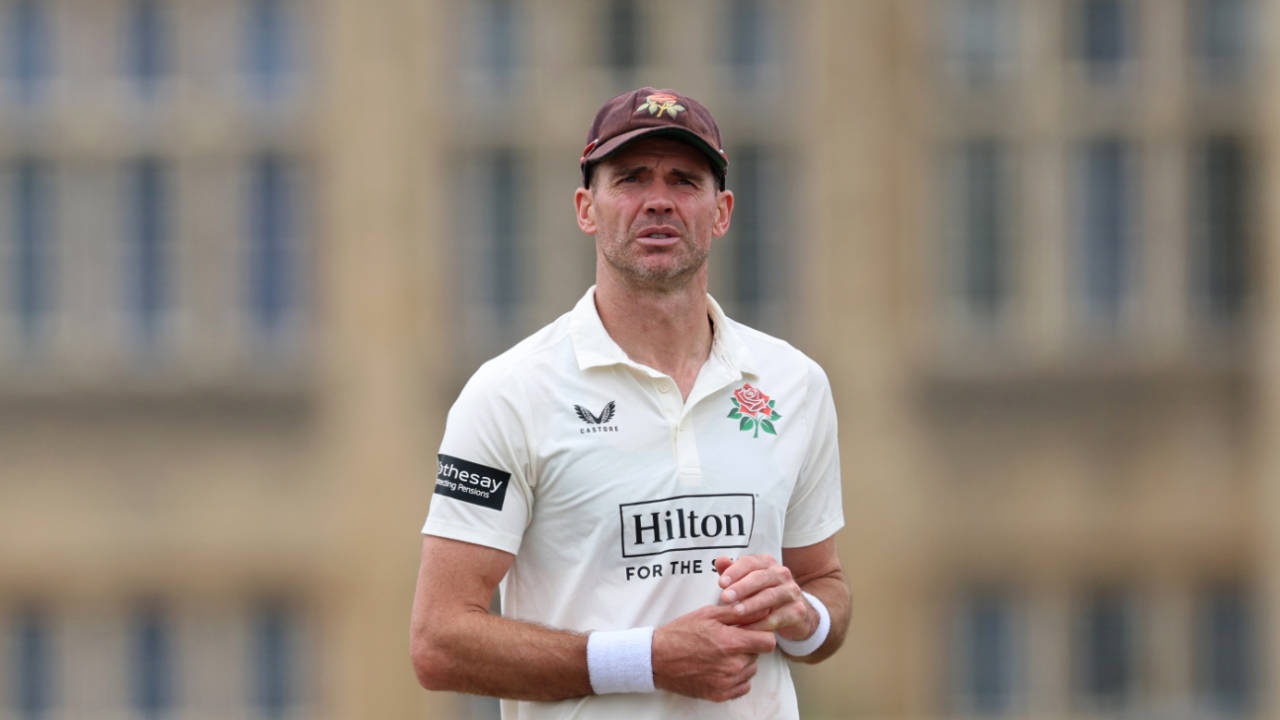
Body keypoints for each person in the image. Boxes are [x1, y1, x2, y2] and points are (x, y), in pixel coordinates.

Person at [410, 87, 848, 719]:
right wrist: (649, 659)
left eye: (685, 180)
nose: (659, 200)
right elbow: (438, 643)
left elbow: (825, 585)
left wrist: (801, 616)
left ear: (722, 211)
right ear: (587, 208)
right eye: (631, 179)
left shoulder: (794, 383)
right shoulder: (508, 394)